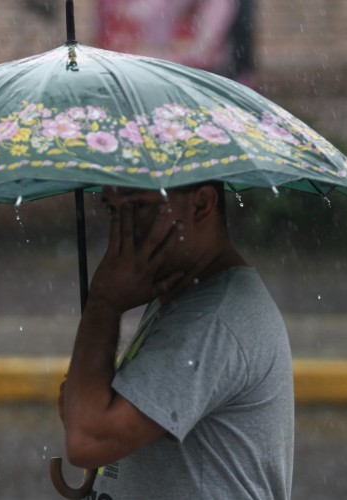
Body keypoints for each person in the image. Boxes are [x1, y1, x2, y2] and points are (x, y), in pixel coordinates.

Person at [58, 182, 294, 499]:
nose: (121, 230)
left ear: (201, 204)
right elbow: (97, 423)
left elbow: (88, 439)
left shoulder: (213, 317)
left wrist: (104, 303)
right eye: (112, 209)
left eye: (139, 206)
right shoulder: (175, 296)